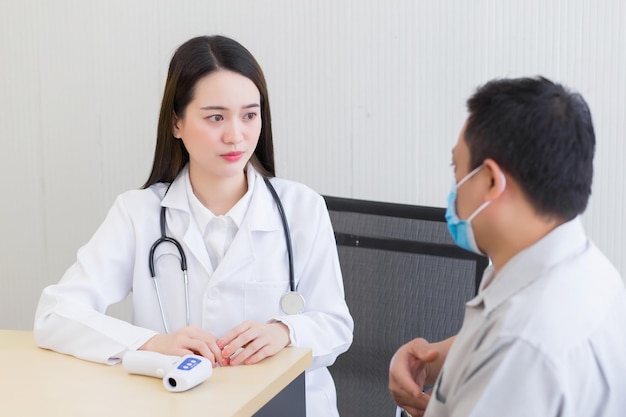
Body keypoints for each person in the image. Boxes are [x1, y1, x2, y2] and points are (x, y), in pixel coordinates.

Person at [34, 35, 353, 417]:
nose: (236, 135)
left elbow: (336, 326)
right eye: (215, 117)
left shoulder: (302, 209)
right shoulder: (139, 214)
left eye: (249, 115)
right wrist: (150, 343)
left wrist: (286, 332)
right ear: (176, 122)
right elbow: (55, 316)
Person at [389, 76, 626, 416]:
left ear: (490, 181)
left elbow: (511, 352)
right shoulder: (588, 270)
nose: (454, 186)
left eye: (456, 167)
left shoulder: (521, 348)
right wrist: (436, 359)